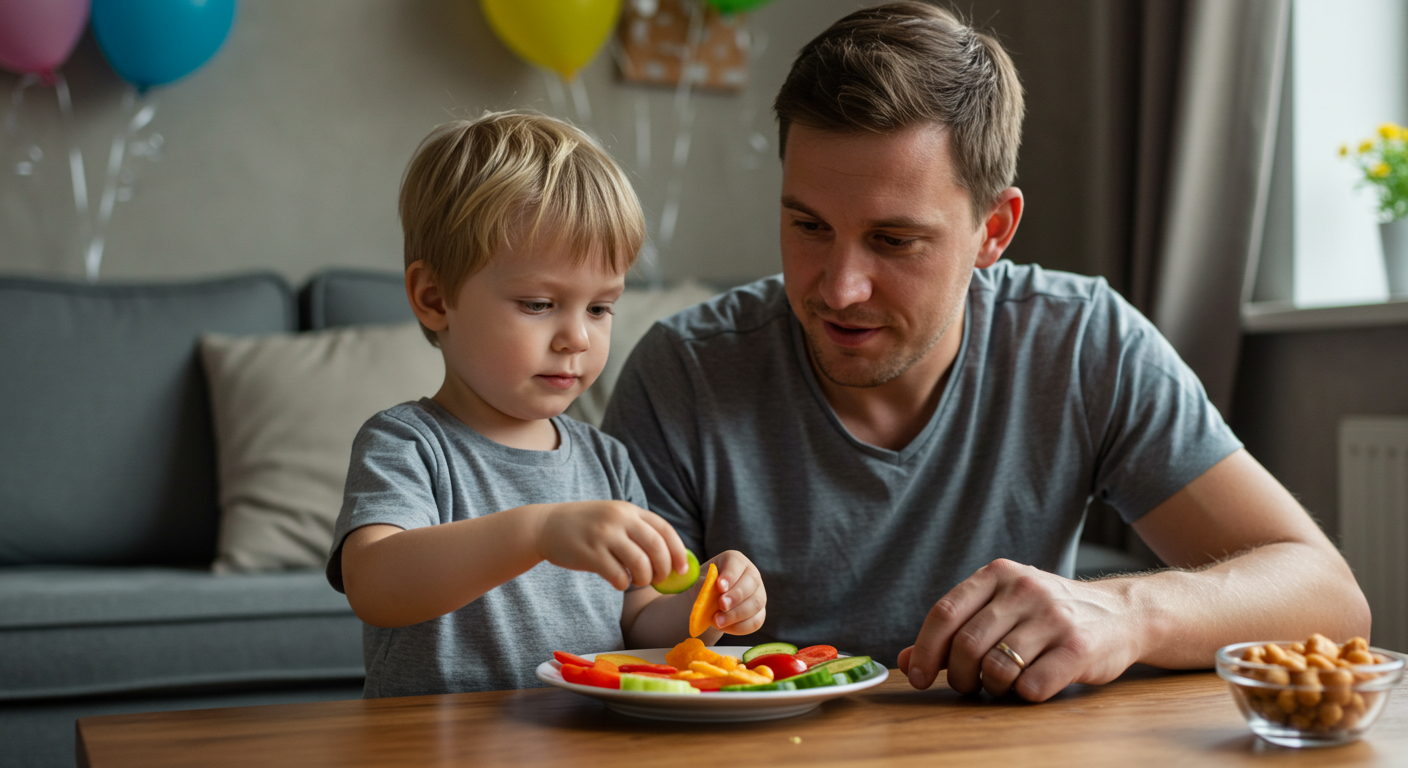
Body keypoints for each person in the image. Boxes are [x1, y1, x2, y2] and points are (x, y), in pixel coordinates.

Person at [601, 2, 1368, 703]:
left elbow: (1331, 601)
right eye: (808, 227)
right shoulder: (684, 370)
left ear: (994, 231)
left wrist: (1126, 611)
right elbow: (615, 637)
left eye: (894, 240)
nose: (838, 288)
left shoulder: (1081, 343)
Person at [324, 111, 767, 697]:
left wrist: (707, 607)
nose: (577, 338)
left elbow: (638, 624)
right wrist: (536, 532)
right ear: (434, 299)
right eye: (538, 304)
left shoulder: (607, 461)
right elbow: (376, 585)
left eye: (600, 308)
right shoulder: (407, 443)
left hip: (581, 743)